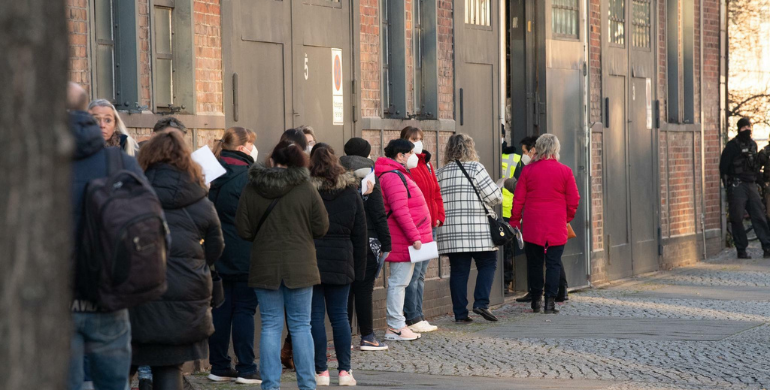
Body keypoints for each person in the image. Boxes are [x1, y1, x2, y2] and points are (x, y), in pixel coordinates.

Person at [130, 130, 225, 389]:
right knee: (170, 364)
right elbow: (216, 247)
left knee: (124, 361)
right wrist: (193, 260)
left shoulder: (133, 193)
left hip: (140, 290)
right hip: (186, 290)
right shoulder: (200, 200)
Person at [68, 82, 145, 390]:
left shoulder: (34, 163)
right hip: (108, 292)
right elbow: (148, 224)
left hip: (55, 297)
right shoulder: (122, 163)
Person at [236, 141, 329, 390]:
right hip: (301, 265)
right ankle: (307, 385)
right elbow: (322, 226)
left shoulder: (251, 187)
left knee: (270, 325)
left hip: (264, 264)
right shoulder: (305, 188)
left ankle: (270, 385)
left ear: (272, 160)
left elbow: (243, 229)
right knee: (301, 326)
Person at [308, 144, 367, 386]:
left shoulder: (307, 192)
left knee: (314, 318)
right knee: (340, 317)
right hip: (342, 260)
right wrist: (360, 270)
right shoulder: (351, 192)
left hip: (311, 259)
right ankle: (345, 372)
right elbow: (360, 235)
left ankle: (320, 372)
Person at [206, 127, 261, 384]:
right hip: (244, 253)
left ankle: (218, 365)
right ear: (243, 148)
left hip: (214, 252)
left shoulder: (207, 169)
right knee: (244, 310)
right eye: (251, 144)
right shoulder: (250, 177)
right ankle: (247, 367)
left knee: (220, 308)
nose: (253, 149)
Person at [436, 134, 503, 323]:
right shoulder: (476, 168)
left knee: (458, 271)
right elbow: (494, 197)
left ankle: (460, 314)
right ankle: (481, 302)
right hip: (479, 231)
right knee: (488, 264)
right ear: (470, 148)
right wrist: (499, 187)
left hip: (451, 232)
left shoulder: (440, 173)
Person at [510, 134, 580, 314]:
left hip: (534, 224)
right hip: (557, 223)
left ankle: (535, 301)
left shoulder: (528, 171)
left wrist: (515, 220)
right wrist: (566, 218)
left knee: (534, 263)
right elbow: (574, 200)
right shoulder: (565, 171)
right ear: (556, 149)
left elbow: (518, 199)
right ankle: (550, 302)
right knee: (554, 263)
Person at [374, 139, 433, 341]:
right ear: (400, 155)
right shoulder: (392, 176)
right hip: (404, 240)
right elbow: (401, 211)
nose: (414, 157)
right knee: (399, 282)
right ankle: (395, 326)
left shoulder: (396, 174)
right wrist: (415, 237)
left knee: (402, 281)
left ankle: (398, 324)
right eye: (410, 153)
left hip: (405, 238)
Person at [340, 138, 392, 351]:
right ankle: (368, 336)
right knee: (364, 289)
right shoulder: (369, 176)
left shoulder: (336, 173)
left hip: (343, 241)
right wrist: (387, 243)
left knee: (346, 291)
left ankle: (345, 337)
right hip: (367, 241)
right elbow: (378, 214)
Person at [399, 127, 444, 333]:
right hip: (417, 227)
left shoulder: (427, 164)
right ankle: (412, 316)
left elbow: (435, 192)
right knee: (414, 273)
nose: (417, 142)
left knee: (422, 273)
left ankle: (419, 313)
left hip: (429, 226)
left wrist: (439, 216)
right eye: (413, 139)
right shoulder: (408, 166)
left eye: (419, 139)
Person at [720, 118, 770, 259]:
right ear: (739, 128)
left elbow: (756, 167)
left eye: (749, 126)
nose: (747, 129)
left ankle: (767, 247)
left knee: (759, 216)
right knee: (737, 218)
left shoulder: (753, 145)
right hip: (737, 185)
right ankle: (741, 249)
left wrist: (761, 183)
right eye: (744, 127)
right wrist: (728, 187)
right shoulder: (732, 146)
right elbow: (723, 168)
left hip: (751, 184)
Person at [500, 128, 521, 295]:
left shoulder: (515, 158)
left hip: (507, 210)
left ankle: (506, 282)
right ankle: (504, 283)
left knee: (507, 249)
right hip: (494, 209)